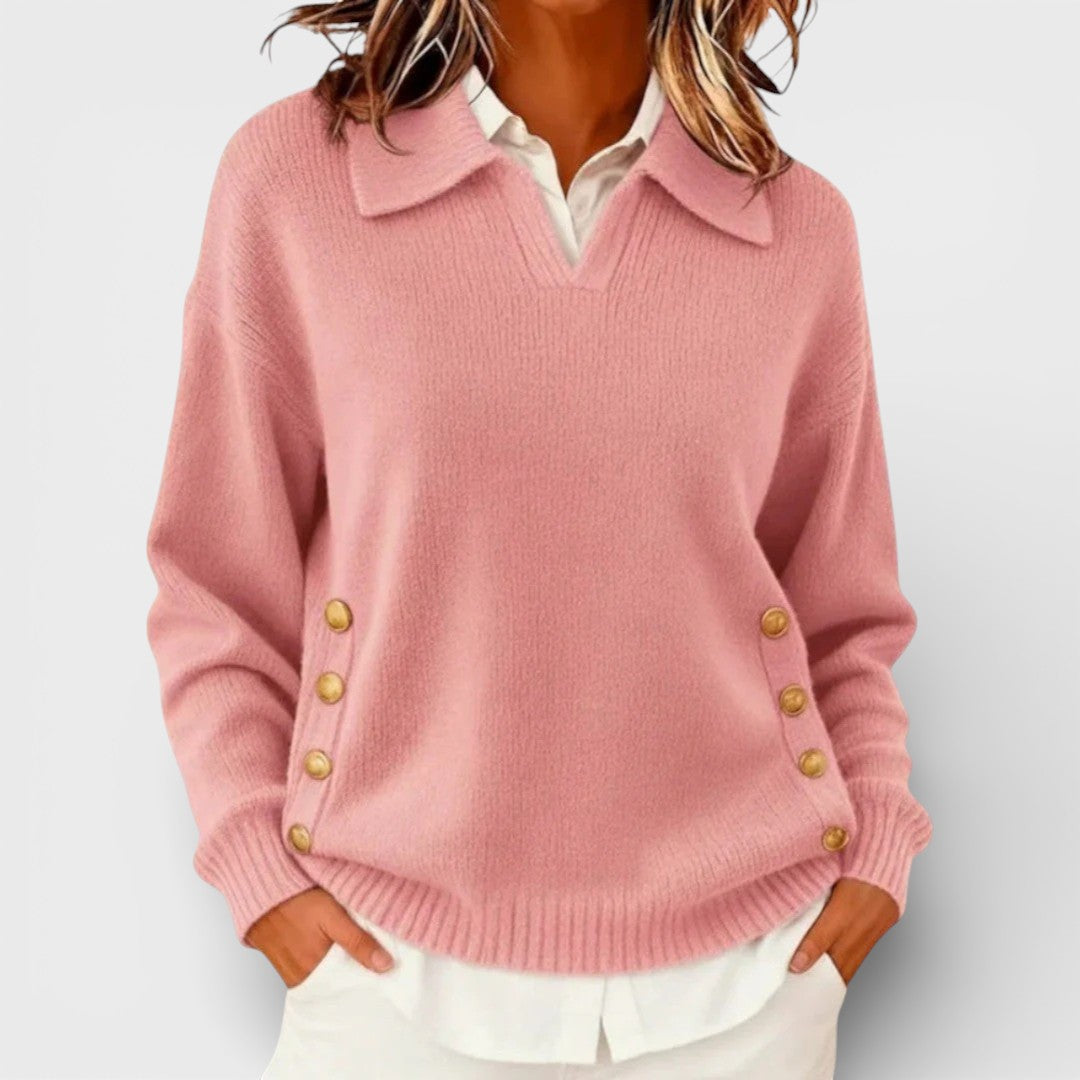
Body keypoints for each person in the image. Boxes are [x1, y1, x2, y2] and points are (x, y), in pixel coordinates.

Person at [144, 0, 933, 1076]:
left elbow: (842, 616)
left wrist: (876, 845)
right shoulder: (296, 182)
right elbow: (215, 587)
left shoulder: (797, 229)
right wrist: (259, 868)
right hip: (388, 981)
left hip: (748, 987)